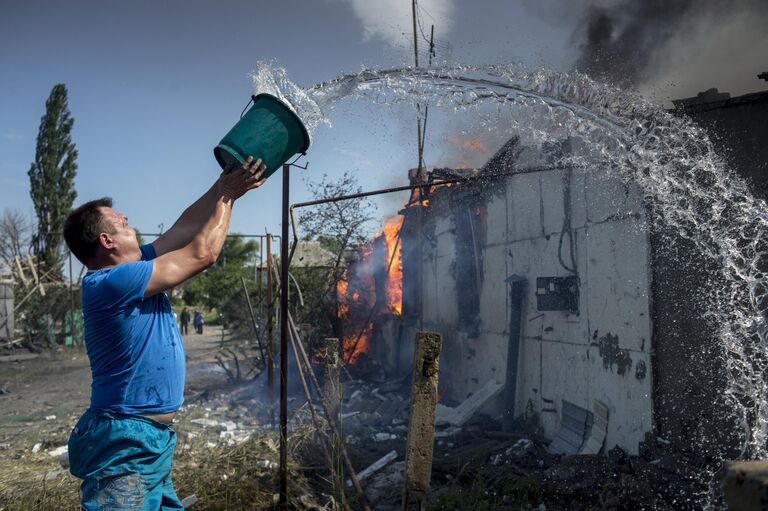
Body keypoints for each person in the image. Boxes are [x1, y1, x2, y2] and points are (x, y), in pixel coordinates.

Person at [63, 156, 267, 510]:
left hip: (148, 440)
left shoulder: (132, 268)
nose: (131, 223)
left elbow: (184, 227)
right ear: (107, 241)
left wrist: (224, 182)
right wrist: (228, 198)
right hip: (124, 441)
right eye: (122, 222)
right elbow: (203, 253)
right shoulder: (112, 281)